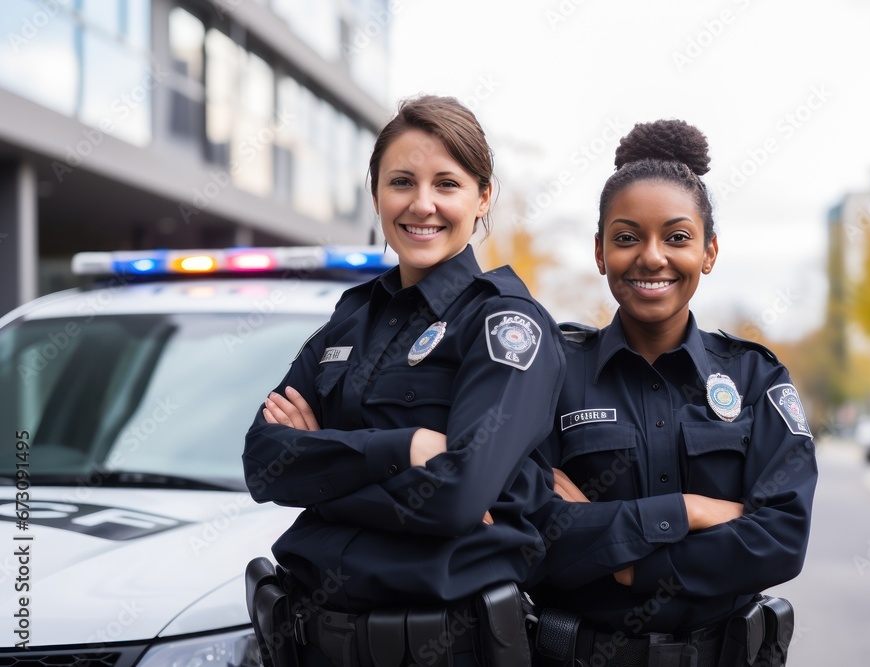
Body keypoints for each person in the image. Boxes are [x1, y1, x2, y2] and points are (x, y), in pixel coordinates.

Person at [242, 95, 567, 667]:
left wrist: (319, 479)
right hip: (309, 645)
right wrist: (405, 449)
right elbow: (263, 461)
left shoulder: (503, 324)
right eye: (401, 182)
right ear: (376, 195)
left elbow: (457, 498)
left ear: (482, 196)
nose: (423, 204)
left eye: (447, 183)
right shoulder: (351, 317)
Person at [529, 119, 818, 667]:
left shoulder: (756, 379)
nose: (652, 257)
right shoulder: (550, 375)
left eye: (678, 237)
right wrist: (694, 510)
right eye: (627, 237)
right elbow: (533, 532)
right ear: (599, 252)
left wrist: (627, 561)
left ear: (709, 252)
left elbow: (780, 537)